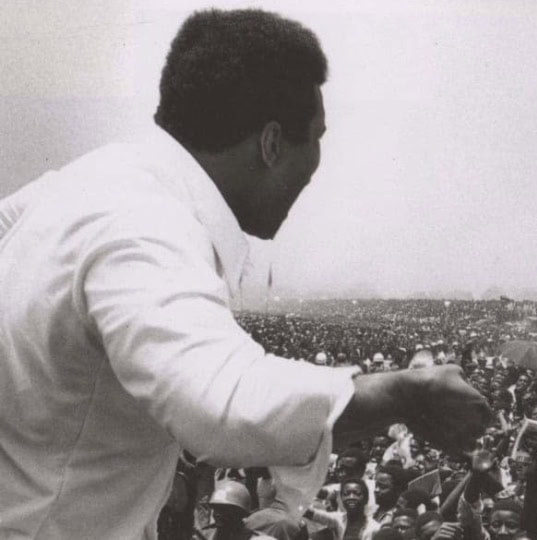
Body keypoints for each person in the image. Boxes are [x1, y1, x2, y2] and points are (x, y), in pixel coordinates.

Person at [0, 9, 490, 539]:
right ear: (272, 144)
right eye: (317, 137)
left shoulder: (72, 187)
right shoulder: (142, 221)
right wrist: (403, 393)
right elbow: (220, 403)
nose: (318, 161)